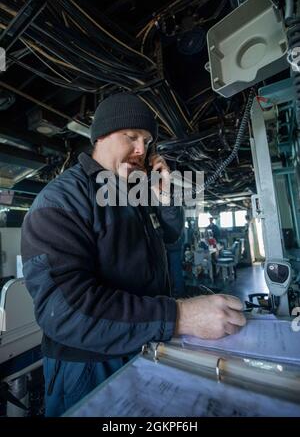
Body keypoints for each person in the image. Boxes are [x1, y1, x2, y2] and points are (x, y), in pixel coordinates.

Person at [21, 93, 246, 417]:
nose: (142, 149)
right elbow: (64, 311)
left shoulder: (131, 195)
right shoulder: (60, 200)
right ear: (100, 136)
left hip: (145, 343)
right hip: (88, 365)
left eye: (147, 140)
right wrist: (180, 317)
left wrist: (166, 198)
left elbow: (171, 238)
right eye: (131, 136)